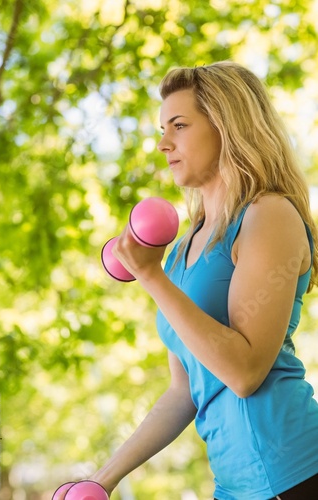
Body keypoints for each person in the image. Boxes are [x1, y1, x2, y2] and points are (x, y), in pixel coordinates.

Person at [90, 62, 318, 499]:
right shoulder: (180, 251)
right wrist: (103, 479)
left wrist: (151, 276)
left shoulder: (268, 215)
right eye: (162, 129)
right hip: (231, 485)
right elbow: (184, 391)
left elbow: (245, 372)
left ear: (226, 126)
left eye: (179, 125)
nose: (163, 143)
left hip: (292, 471)